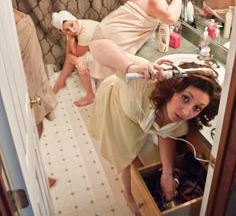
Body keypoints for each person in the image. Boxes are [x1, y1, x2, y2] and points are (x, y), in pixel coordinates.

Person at [87, 40, 221, 216]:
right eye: (186, 98)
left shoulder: (183, 119)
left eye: (197, 107)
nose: (187, 111)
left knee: (147, 156)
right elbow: (96, 45)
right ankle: (128, 195)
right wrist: (130, 67)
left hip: (137, 115)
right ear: (174, 88)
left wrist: (167, 173)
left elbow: (167, 132)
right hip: (118, 106)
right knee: (126, 154)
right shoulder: (144, 82)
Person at [4, 0, 57, 187]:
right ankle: (31, 179)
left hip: (32, 82)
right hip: (23, 86)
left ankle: (34, 175)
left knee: (36, 128)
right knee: (28, 134)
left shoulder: (7, 8)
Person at [89, 0, 183, 79]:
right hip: (114, 39)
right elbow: (170, 18)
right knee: (118, 77)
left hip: (105, 29)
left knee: (110, 72)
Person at [51, 10, 99, 107]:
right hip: (96, 48)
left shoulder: (85, 31)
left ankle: (90, 96)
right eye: (67, 30)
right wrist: (69, 37)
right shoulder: (74, 27)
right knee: (75, 59)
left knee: (80, 60)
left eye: (71, 25)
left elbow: (76, 54)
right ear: (62, 31)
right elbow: (68, 53)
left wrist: (69, 36)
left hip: (109, 49)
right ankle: (61, 80)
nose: (72, 30)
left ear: (74, 19)